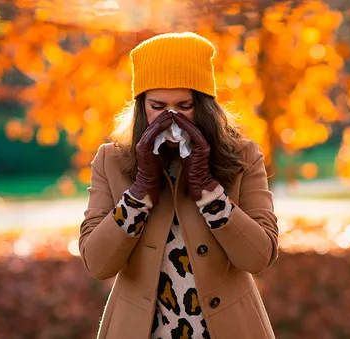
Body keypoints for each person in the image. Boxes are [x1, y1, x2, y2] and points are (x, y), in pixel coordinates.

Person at [79, 32, 278, 339]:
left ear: (204, 106)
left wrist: (209, 192)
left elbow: (259, 257)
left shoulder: (243, 156)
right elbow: (97, 262)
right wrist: (140, 191)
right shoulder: (111, 160)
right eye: (157, 106)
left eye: (184, 106)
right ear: (141, 106)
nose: (171, 119)